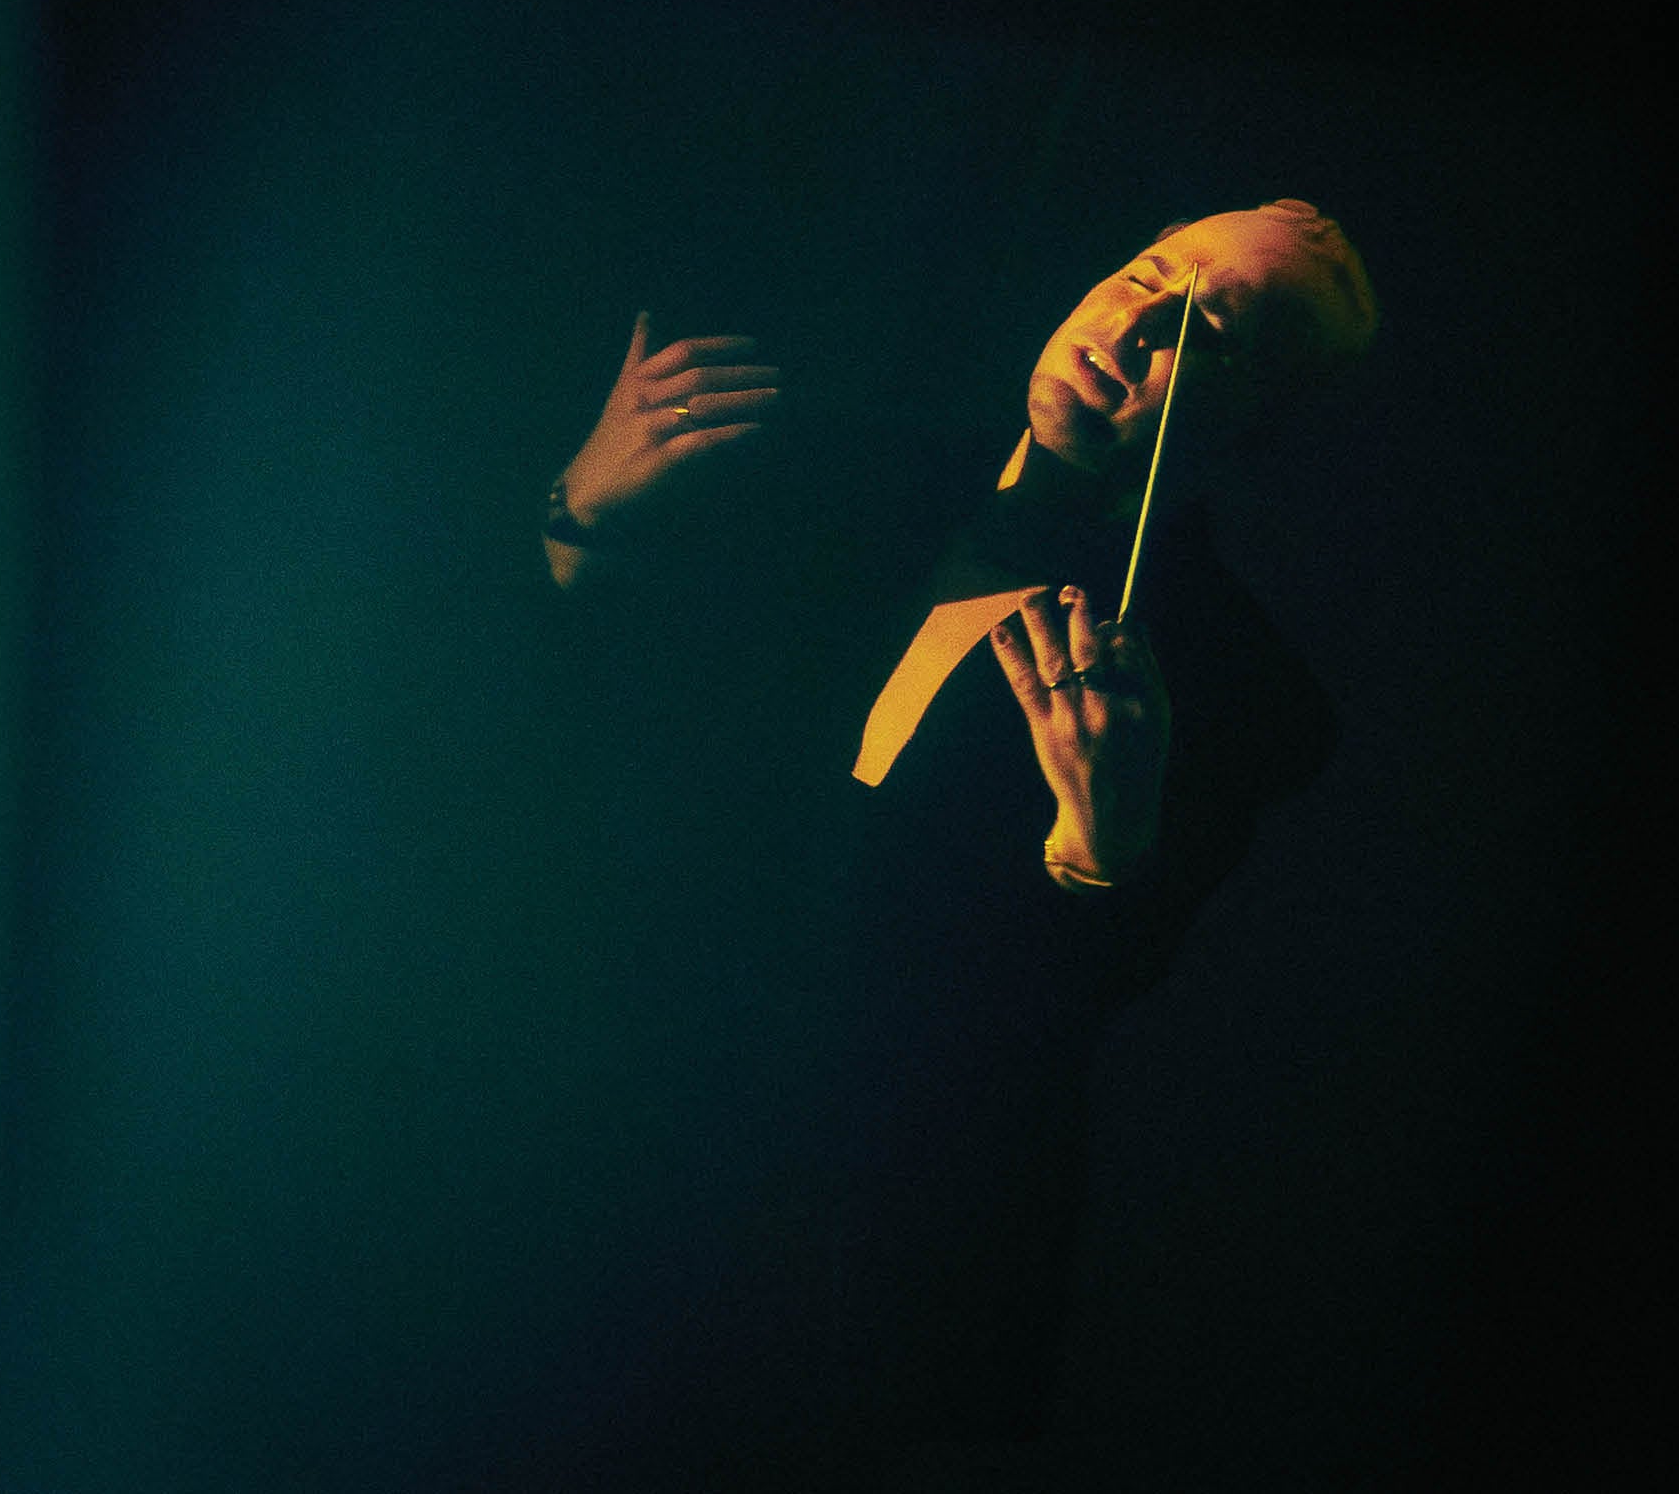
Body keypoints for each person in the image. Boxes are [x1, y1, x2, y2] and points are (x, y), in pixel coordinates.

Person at [527, 201, 1376, 1489]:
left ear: (1261, 425)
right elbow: (564, 731)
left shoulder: (1242, 688)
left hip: (873, 1256)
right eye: (1146, 273)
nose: (1135, 317)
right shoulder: (831, 472)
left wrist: (1106, 837)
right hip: (602, 1161)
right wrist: (580, 507)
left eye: (1202, 329)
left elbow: (1056, 1008)